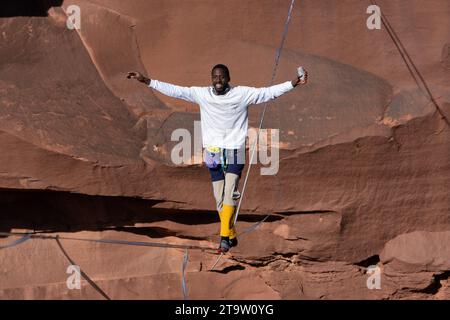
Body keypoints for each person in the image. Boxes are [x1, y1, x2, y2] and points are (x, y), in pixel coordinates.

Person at [127, 64, 308, 252]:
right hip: (212, 152)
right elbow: (176, 91)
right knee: (219, 198)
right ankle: (230, 233)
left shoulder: (241, 93)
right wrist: (147, 81)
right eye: (215, 77)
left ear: (228, 78)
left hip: (234, 150)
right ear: (211, 79)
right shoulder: (202, 94)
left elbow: (269, 93)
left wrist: (293, 83)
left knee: (230, 193)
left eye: (222, 77)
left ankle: (223, 238)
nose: (218, 80)